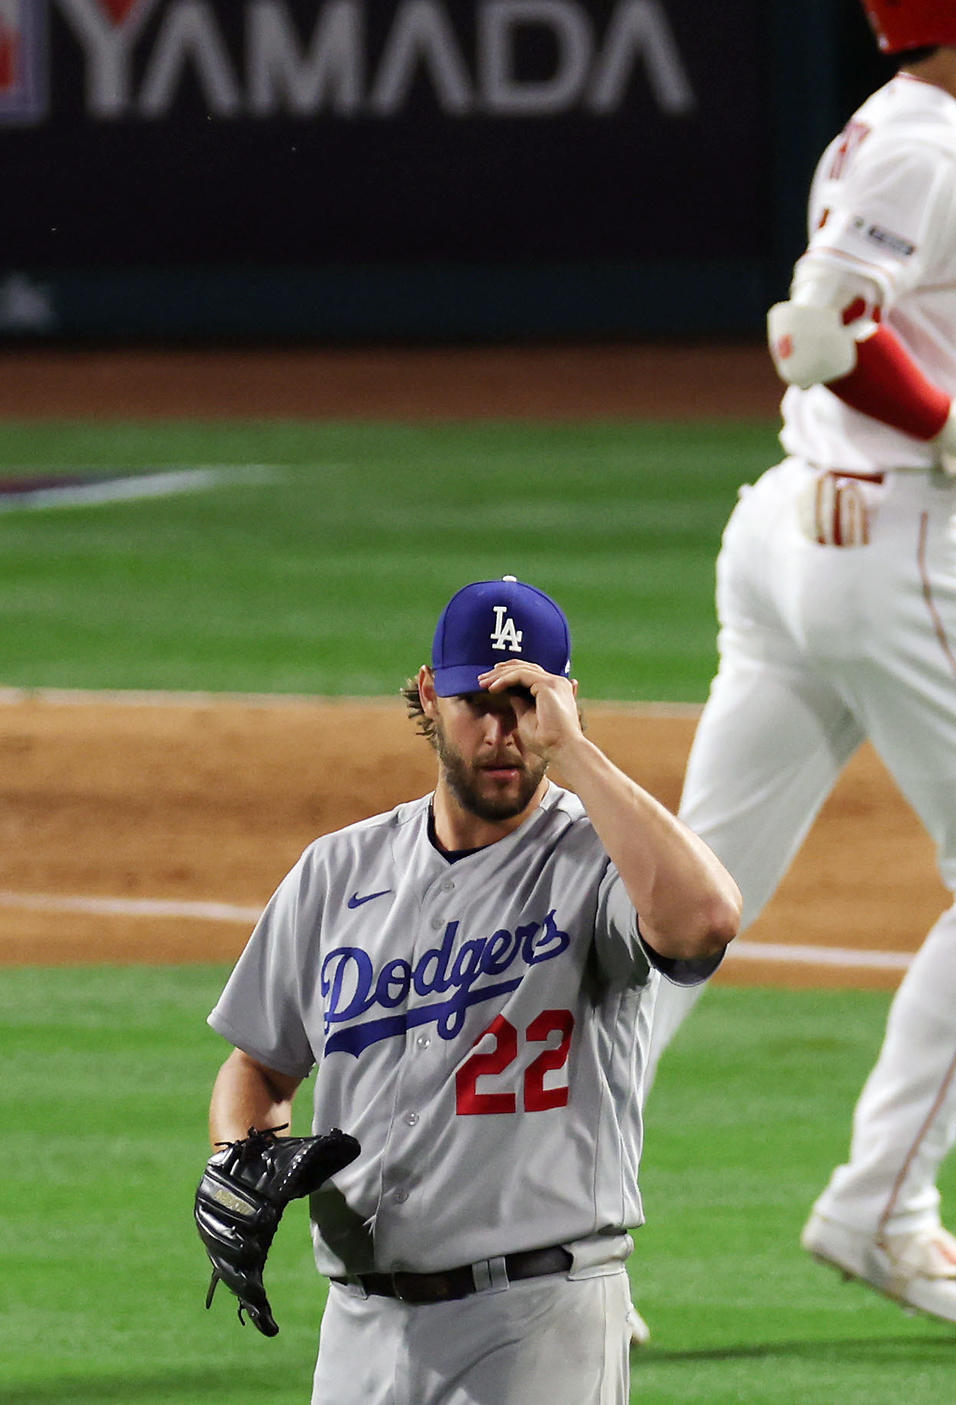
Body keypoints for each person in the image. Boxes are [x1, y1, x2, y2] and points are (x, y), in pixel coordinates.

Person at [642, 0, 956, 1331]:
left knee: (688, 905)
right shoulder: (924, 145)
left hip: (795, 530)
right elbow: (819, 330)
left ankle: (533, 1211)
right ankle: (881, 1205)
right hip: (886, 549)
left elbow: (877, 320)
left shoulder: (904, 131)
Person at [204, 575, 742, 1403]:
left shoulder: (600, 861)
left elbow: (705, 920)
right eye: (477, 704)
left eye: (525, 704)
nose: (502, 734)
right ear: (429, 694)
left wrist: (574, 752)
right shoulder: (338, 869)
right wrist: (239, 1154)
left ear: (563, 701)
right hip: (359, 1330)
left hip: (536, 1323)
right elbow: (260, 1066)